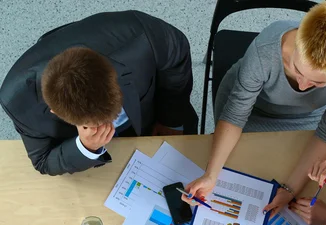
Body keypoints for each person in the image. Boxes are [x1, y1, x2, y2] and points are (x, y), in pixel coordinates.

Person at [183, 1, 326, 211]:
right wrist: (210, 175)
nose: (302, 86)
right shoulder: (265, 50)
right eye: (297, 71)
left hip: (306, 117)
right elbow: (235, 114)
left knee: (284, 170)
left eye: (318, 83)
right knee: (237, 167)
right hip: (252, 109)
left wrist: (289, 190)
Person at [0, 11, 197, 176]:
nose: (107, 128)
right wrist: (85, 147)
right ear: (55, 112)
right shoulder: (18, 102)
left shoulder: (144, 37)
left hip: (152, 115)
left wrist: (170, 119)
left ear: (114, 77)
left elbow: (177, 57)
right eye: (95, 124)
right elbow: (42, 160)